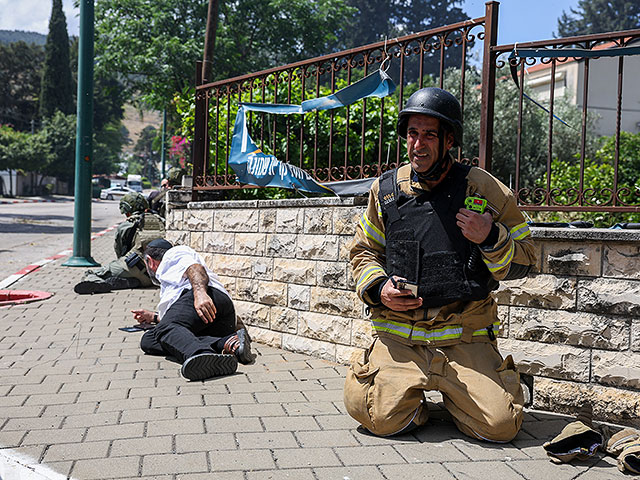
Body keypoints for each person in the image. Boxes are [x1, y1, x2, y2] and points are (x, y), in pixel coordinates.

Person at [344, 87, 537, 441]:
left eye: (429, 135)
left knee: (501, 427)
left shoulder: (483, 190)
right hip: (402, 338)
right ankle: (414, 403)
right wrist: (379, 288)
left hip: (464, 339)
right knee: (375, 416)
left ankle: (463, 394)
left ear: (449, 140)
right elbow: (363, 252)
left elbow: (527, 261)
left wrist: (491, 237)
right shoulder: (386, 190)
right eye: (413, 134)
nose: (418, 145)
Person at [134, 239, 255, 381]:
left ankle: (201, 354)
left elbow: (195, 268)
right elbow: (178, 321)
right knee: (149, 340)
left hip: (208, 298)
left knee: (165, 329)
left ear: (150, 261)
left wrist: (200, 294)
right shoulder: (169, 274)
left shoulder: (173, 254)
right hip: (215, 322)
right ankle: (228, 343)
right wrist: (154, 317)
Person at [74, 192, 165, 294]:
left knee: (90, 273)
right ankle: (135, 282)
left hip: (134, 268)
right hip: (160, 274)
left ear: (127, 210)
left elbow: (120, 252)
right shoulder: (162, 221)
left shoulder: (127, 225)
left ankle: (100, 283)